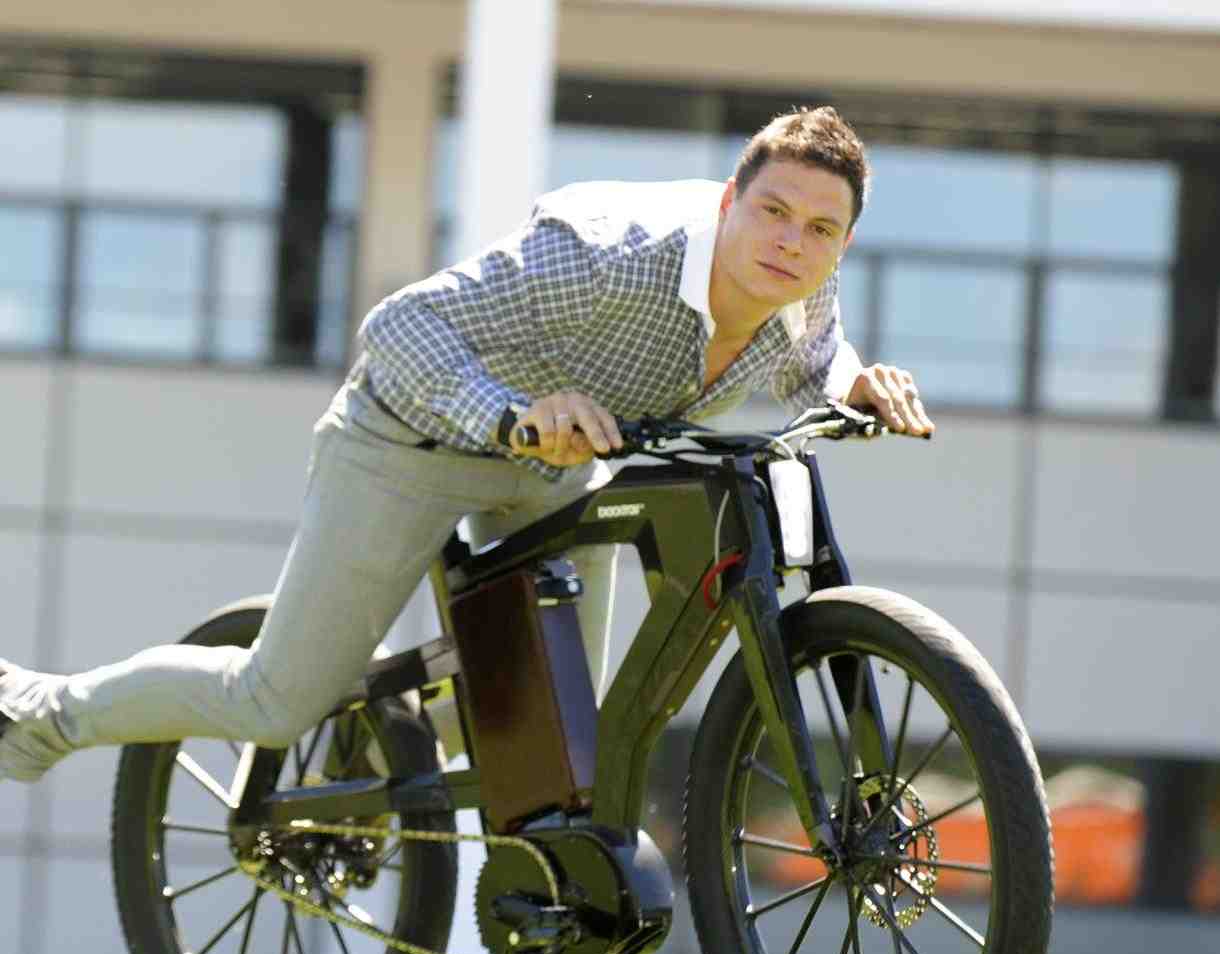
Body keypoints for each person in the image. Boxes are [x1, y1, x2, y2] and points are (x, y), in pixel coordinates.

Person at [0, 105, 931, 784]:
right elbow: (397, 329)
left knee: (559, 713)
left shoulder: (802, 286)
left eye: (820, 230)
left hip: (553, 472)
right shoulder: (602, 259)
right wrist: (509, 416)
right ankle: (41, 714)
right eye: (772, 212)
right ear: (730, 199)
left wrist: (852, 382)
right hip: (409, 440)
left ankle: (378, 749)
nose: (791, 241)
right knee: (274, 703)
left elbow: (813, 353)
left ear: (842, 245)